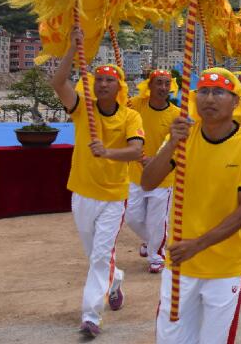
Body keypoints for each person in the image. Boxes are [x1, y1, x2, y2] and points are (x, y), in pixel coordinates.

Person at [142, 68, 241, 344]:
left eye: (219, 92)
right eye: (204, 92)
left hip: (225, 266)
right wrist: (171, 144)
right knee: (170, 340)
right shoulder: (182, 137)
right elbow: (148, 182)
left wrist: (197, 245)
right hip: (181, 263)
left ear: (235, 102)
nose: (209, 99)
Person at [50, 28, 145, 338]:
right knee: (96, 257)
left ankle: (91, 315)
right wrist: (72, 47)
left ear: (119, 87)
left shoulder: (130, 117)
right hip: (82, 193)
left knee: (102, 256)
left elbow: (136, 150)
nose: (103, 84)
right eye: (99, 79)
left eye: (109, 80)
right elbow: (58, 83)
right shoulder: (82, 109)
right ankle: (114, 281)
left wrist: (108, 152)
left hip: (114, 197)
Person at [126, 69, 180, 274]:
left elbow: (174, 143)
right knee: (132, 217)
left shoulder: (176, 114)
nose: (163, 87)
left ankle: (156, 255)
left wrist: (156, 161)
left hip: (162, 176)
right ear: (149, 85)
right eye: (159, 83)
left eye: (167, 83)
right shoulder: (136, 105)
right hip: (136, 173)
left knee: (157, 220)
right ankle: (151, 242)